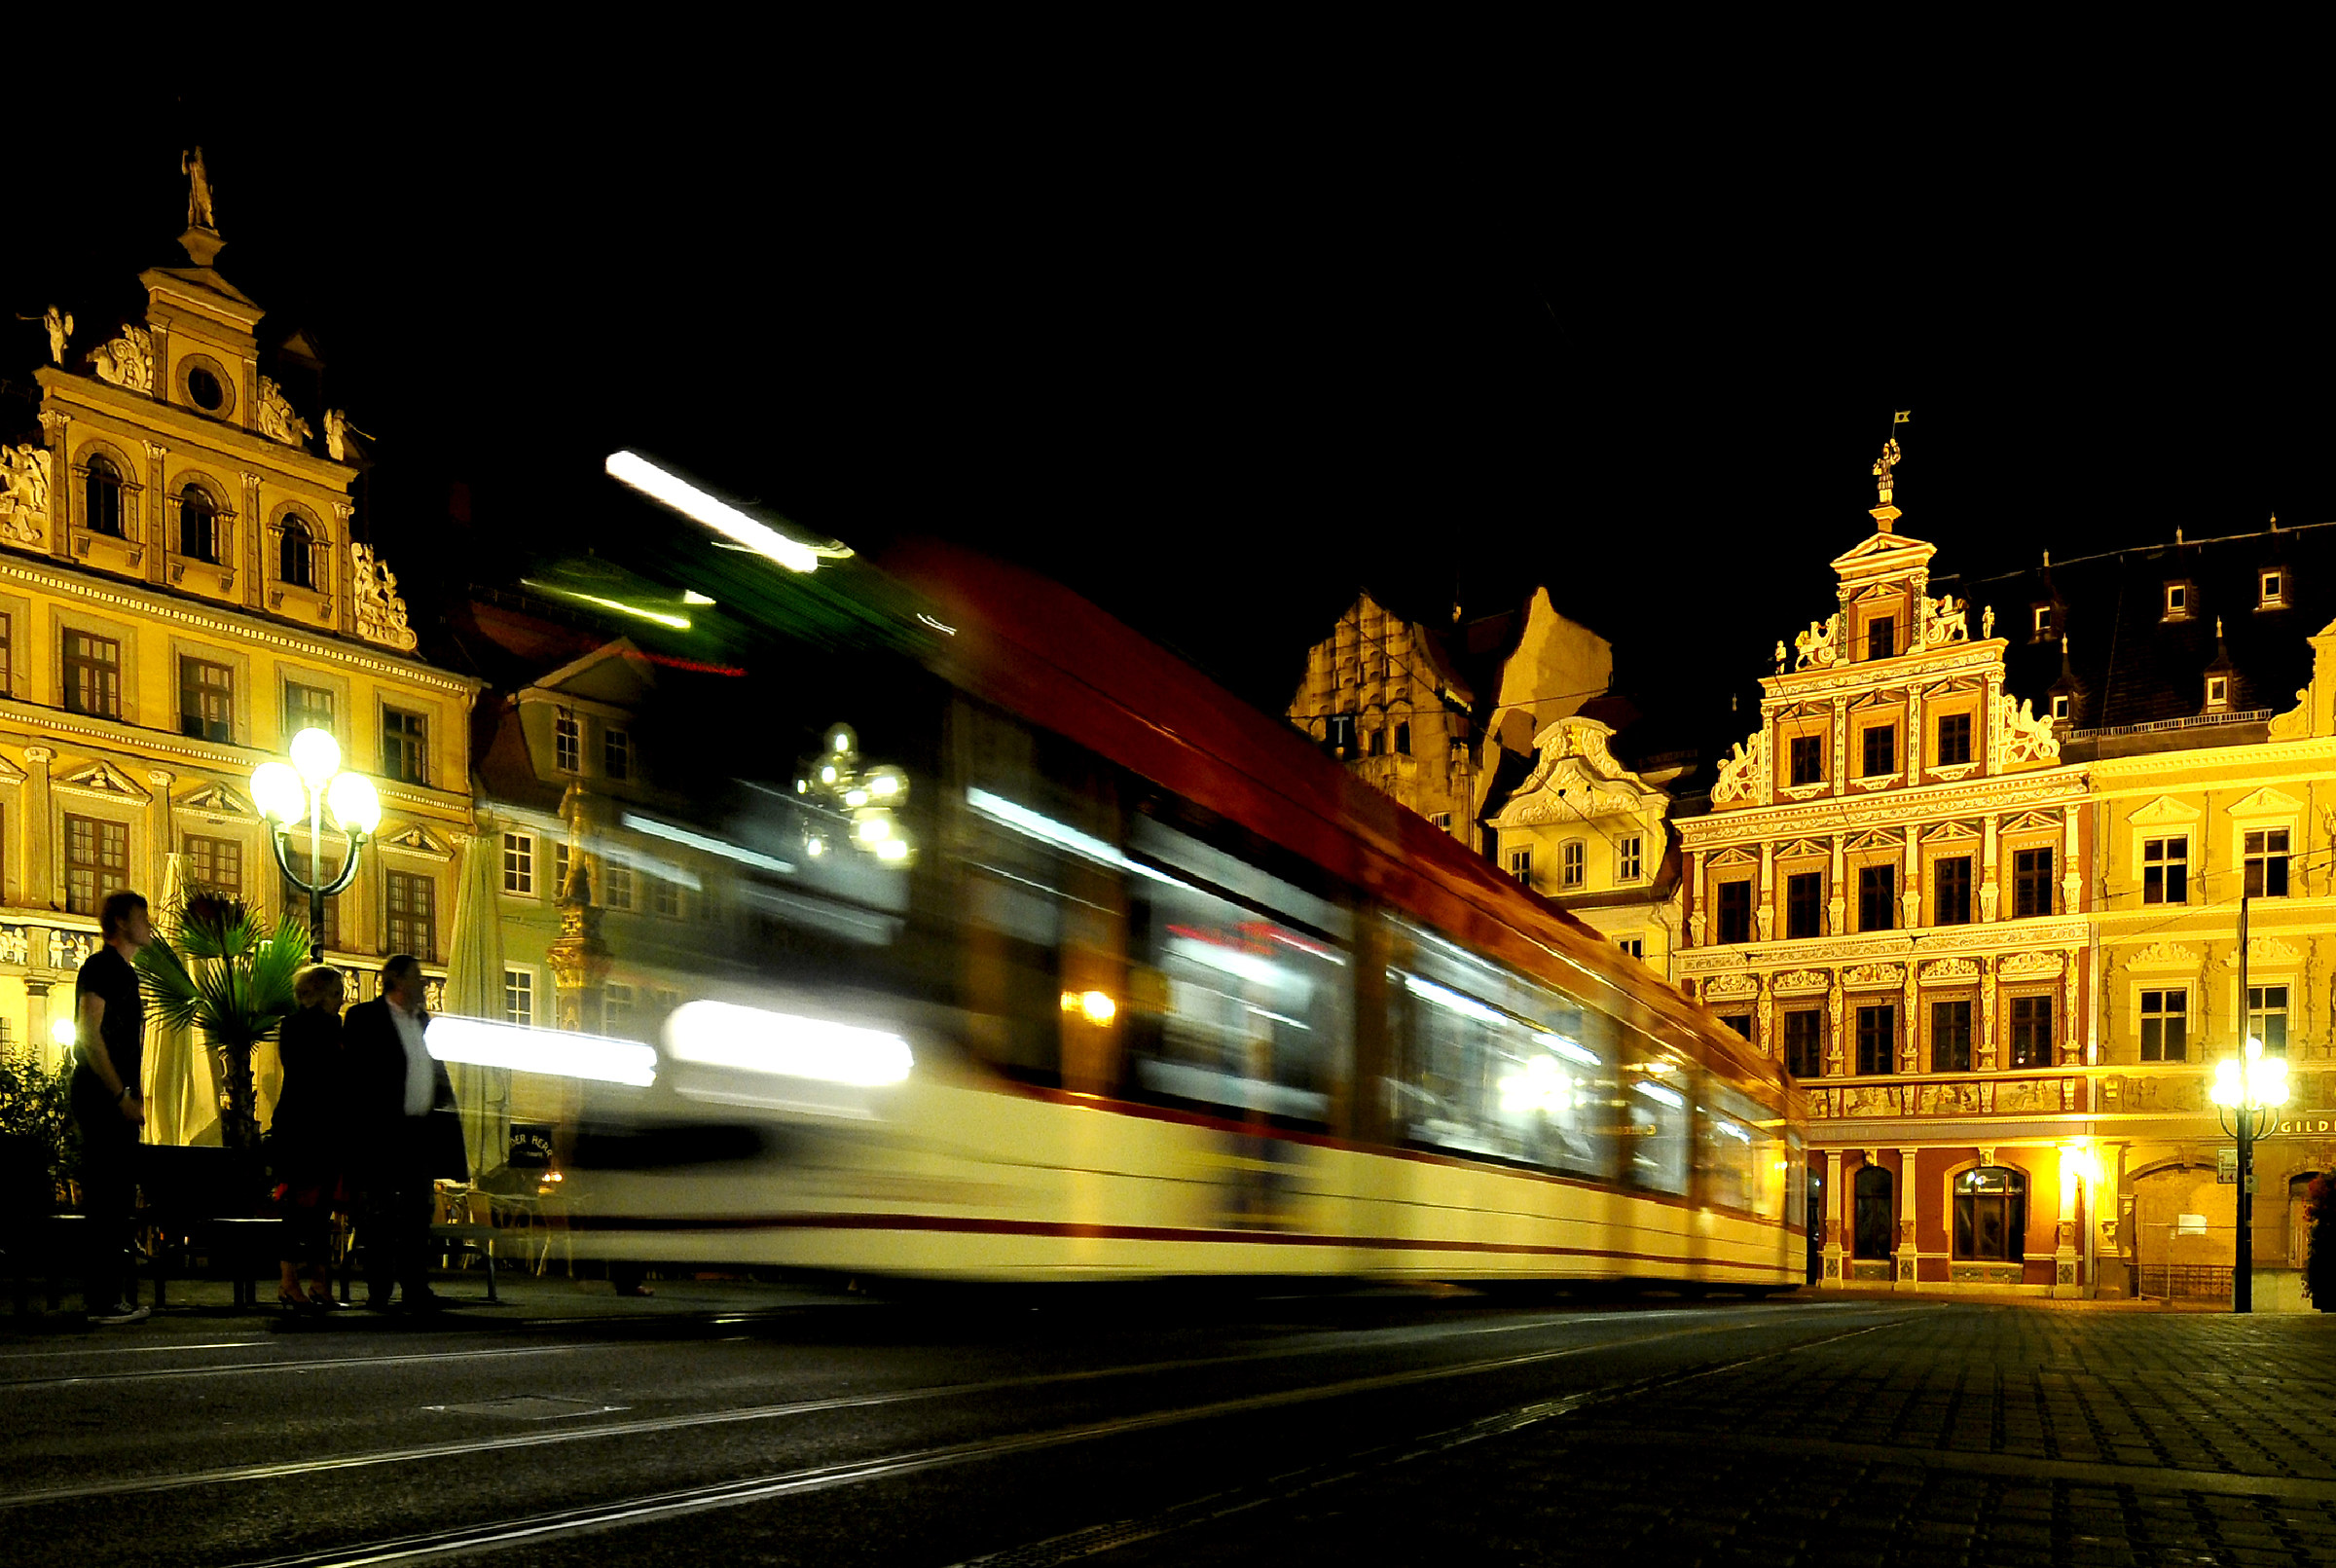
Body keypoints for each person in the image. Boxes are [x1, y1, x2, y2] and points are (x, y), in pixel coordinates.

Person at [345, 955, 466, 1310]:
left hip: (419, 1131)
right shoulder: (365, 1018)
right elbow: (356, 1077)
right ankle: (379, 1287)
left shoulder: (423, 1021)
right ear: (396, 979)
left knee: (418, 1211)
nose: (423, 983)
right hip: (382, 1133)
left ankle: (415, 1285)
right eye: (416, 976)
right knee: (379, 1212)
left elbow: (435, 1071)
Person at [72, 891, 153, 1326]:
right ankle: (102, 1300)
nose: (149, 924)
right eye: (143, 917)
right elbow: (89, 1033)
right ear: (121, 922)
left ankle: (108, 1297)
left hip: (112, 1097)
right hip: (103, 1098)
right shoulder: (103, 967)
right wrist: (121, 1095)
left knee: (115, 1199)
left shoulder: (123, 973)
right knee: (106, 1199)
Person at [272, 965, 349, 1309]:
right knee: (304, 1209)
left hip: (310, 1126)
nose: (341, 999)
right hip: (308, 1128)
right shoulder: (314, 1027)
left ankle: (316, 1282)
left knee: (316, 1210)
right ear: (320, 994)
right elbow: (324, 1074)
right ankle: (293, 1282)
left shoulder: (302, 1026)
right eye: (337, 993)